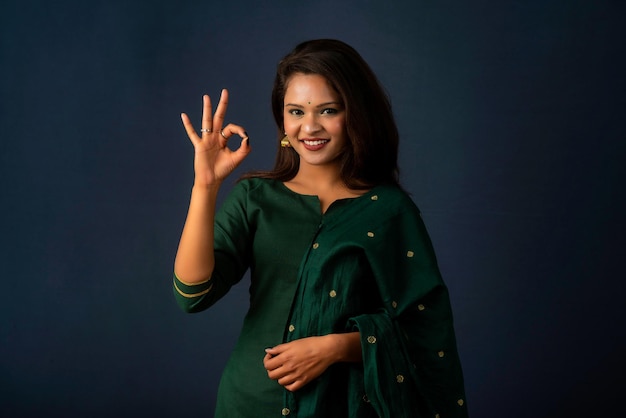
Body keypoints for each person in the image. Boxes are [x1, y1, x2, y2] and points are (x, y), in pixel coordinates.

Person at [173, 39, 467, 417]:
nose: (309, 126)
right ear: (282, 120)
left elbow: (425, 332)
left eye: (328, 110)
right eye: (296, 111)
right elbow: (192, 295)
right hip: (249, 401)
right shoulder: (256, 197)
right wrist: (205, 186)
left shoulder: (389, 211)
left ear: (355, 115)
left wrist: (336, 347)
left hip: (343, 405)